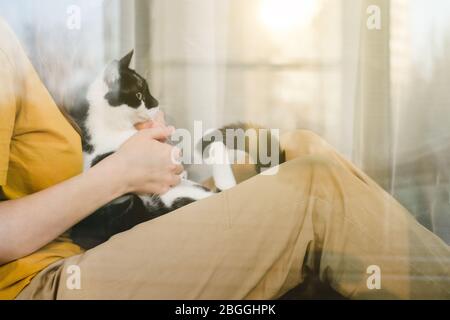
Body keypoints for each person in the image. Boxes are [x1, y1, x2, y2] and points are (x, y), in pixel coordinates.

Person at [0, 18, 448, 300]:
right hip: (43, 282)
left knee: (296, 145)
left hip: (90, 242)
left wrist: (139, 149)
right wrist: (120, 173)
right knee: (316, 189)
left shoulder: (36, 51)